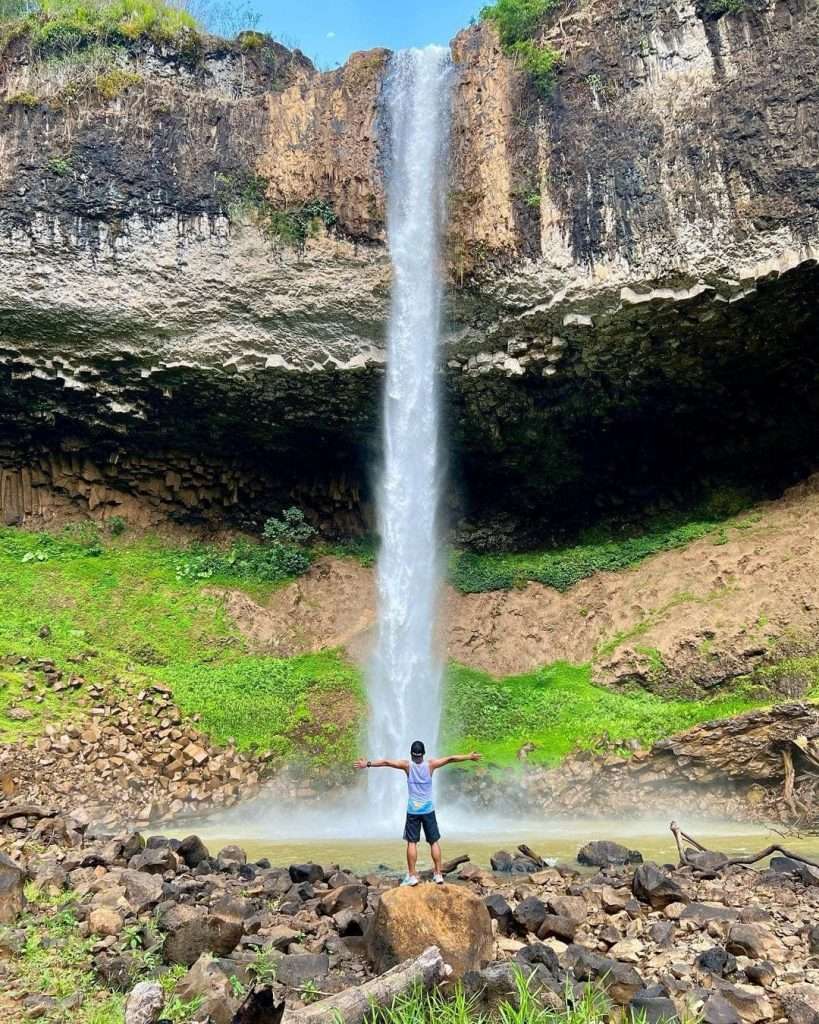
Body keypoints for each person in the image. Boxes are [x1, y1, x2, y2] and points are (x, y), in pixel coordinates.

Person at [354, 740, 481, 886]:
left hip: (413, 810)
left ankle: (412, 876)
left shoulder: (407, 766)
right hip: (428, 809)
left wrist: (367, 764)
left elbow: (386, 762)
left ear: (411, 754)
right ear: (424, 753)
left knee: (412, 842)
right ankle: (439, 874)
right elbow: (450, 758)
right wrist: (469, 756)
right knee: (434, 841)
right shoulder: (431, 765)